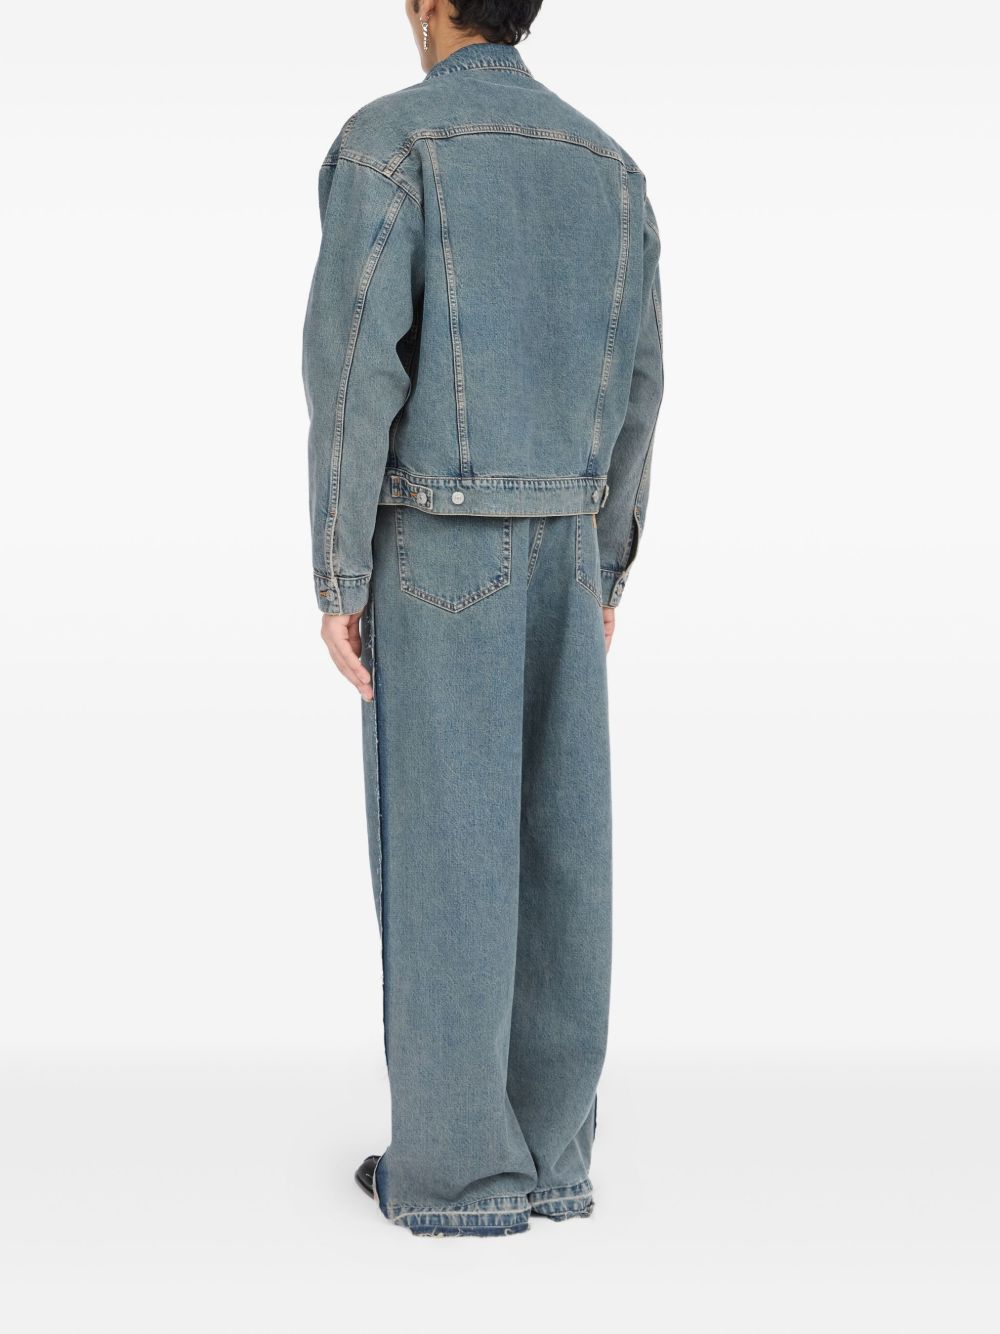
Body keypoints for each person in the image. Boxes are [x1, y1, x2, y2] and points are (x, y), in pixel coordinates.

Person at [302, 0, 663, 1238]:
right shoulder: (610, 167)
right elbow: (641, 387)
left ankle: (458, 1174)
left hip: (435, 546)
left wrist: (339, 571)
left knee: (447, 851)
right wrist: (603, 567)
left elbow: (355, 370)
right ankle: (551, 1154)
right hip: (564, 536)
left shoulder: (390, 145)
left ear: (427, 4)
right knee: (563, 850)